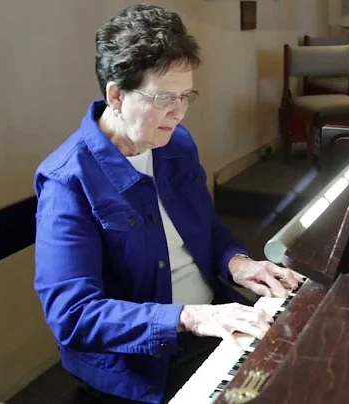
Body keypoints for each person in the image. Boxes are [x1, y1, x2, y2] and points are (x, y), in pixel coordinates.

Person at [33, 4, 302, 404]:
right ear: (116, 95)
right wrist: (190, 316)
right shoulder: (68, 181)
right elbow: (73, 316)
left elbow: (206, 231)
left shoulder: (175, 144)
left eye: (185, 96)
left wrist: (238, 263)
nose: (178, 113)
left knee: (310, 358)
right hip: (143, 364)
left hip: (209, 324)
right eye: (163, 99)